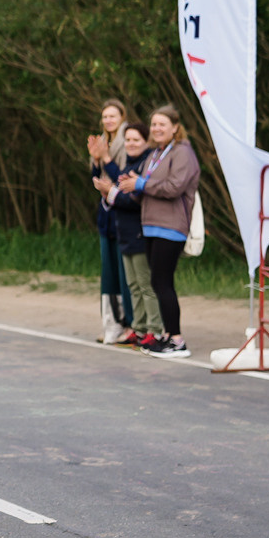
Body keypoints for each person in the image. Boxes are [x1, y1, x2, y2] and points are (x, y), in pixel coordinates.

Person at [117, 105, 200, 358]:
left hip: (171, 226)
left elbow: (174, 187)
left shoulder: (183, 152)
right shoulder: (156, 153)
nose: (156, 128)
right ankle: (167, 335)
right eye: (153, 124)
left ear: (175, 127)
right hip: (150, 224)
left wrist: (141, 183)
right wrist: (128, 186)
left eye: (162, 124)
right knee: (157, 281)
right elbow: (145, 187)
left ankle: (177, 341)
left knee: (162, 282)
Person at [106, 122, 159, 346]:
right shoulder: (129, 163)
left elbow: (134, 199)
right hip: (124, 233)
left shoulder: (147, 165)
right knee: (133, 286)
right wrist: (110, 192)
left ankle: (155, 330)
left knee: (146, 285)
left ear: (146, 141)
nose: (131, 144)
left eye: (136, 139)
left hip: (140, 232)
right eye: (128, 139)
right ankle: (139, 328)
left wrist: (111, 194)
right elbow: (121, 191)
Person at [87, 99, 133, 343]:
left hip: (123, 212)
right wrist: (96, 160)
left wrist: (106, 157)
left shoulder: (127, 141)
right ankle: (112, 324)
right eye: (105, 117)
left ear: (122, 117)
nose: (108, 120)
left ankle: (130, 324)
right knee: (108, 273)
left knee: (124, 273)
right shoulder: (103, 141)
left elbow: (122, 177)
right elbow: (96, 178)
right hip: (105, 213)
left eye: (113, 116)